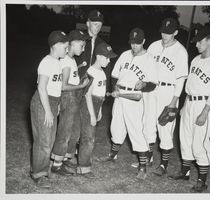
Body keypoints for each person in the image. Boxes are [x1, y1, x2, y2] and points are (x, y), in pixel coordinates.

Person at [171, 26, 210, 193]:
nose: (196, 45)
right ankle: (185, 172)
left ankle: (202, 181)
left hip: (204, 105)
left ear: (209, 40)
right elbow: (190, 85)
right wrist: (184, 105)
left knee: (199, 143)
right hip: (190, 102)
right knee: (185, 138)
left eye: (199, 41)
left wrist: (205, 112)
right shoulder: (195, 59)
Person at [100, 28, 158, 180]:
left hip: (134, 97)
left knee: (135, 130)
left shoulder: (149, 59)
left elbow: (153, 84)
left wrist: (144, 84)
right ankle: (112, 155)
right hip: (120, 95)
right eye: (132, 42)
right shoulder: (125, 55)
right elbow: (114, 76)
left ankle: (143, 167)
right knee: (116, 126)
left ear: (144, 42)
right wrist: (114, 87)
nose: (134, 46)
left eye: (138, 43)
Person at [147, 18, 189, 176]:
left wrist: (174, 101)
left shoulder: (181, 51)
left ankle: (163, 165)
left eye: (169, 32)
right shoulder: (153, 46)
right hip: (151, 90)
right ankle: (148, 158)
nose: (165, 34)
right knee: (148, 124)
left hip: (168, 92)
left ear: (176, 32)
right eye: (164, 31)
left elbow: (181, 80)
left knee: (165, 128)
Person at [30, 30, 68, 188]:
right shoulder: (46, 62)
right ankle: (37, 174)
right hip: (42, 102)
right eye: (65, 46)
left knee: (49, 140)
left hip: (51, 102)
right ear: (56, 46)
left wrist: (56, 105)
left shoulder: (57, 62)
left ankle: (43, 170)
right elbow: (42, 88)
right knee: (44, 141)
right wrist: (47, 111)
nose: (67, 49)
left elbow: (55, 87)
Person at [50, 30, 90, 175]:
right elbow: (63, 86)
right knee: (65, 132)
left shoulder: (71, 60)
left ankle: (65, 159)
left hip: (74, 98)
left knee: (73, 131)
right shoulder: (66, 60)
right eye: (82, 45)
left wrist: (80, 76)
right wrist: (82, 85)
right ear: (72, 43)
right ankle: (56, 164)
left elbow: (71, 78)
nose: (83, 48)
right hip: (68, 97)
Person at [76, 42, 117, 176]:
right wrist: (92, 114)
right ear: (99, 56)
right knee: (88, 138)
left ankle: (83, 161)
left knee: (90, 136)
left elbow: (101, 95)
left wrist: (98, 111)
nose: (109, 60)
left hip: (97, 104)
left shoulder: (103, 73)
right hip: (88, 104)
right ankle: (83, 167)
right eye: (107, 57)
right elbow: (87, 94)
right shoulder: (91, 72)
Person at [75, 9, 105, 78]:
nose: (97, 27)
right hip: (77, 82)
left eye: (100, 25)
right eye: (95, 24)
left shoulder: (103, 44)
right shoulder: (79, 40)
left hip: (95, 84)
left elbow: (106, 69)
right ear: (88, 23)